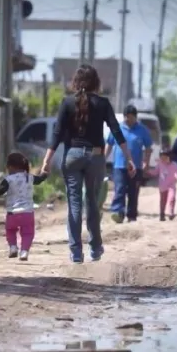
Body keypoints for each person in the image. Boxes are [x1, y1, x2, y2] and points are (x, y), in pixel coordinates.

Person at [40, 64, 136, 263]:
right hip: (96, 156)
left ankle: (76, 252)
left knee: (74, 204)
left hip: (72, 156)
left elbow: (57, 134)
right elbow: (116, 131)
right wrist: (129, 158)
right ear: (96, 82)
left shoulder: (67, 103)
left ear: (76, 82)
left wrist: (46, 161)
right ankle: (95, 248)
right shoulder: (103, 103)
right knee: (92, 201)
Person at [0, 152, 47, 261]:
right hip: (27, 213)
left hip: (12, 214)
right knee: (28, 233)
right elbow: (39, 180)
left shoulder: (9, 179)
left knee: (10, 231)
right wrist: (44, 174)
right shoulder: (29, 177)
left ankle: (13, 247)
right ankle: (24, 251)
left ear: (10, 167)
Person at [105, 104, 153, 223]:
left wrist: (146, 162)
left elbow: (148, 148)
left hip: (136, 166)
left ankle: (131, 215)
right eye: (127, 116)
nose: (129, 119)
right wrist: (103, 159)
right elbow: (109, 144)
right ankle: (118, 212)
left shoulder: (142, 130)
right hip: (119, 165)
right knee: (120, 189)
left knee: (133, 191)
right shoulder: (117, 128)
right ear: (124, 117)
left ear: (136, 117)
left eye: (132, 117)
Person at [147, 148, 177, 221]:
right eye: (161, 158)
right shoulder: (160, 164)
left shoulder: (174, 165)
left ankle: (171, 213)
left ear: (170, 157)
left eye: (165, 158)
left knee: (172, 198)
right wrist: (148, 171)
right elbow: (155, 172)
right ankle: (162, 214)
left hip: (171, 185)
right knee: (163, 201)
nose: (163, 159)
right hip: (162, 186)